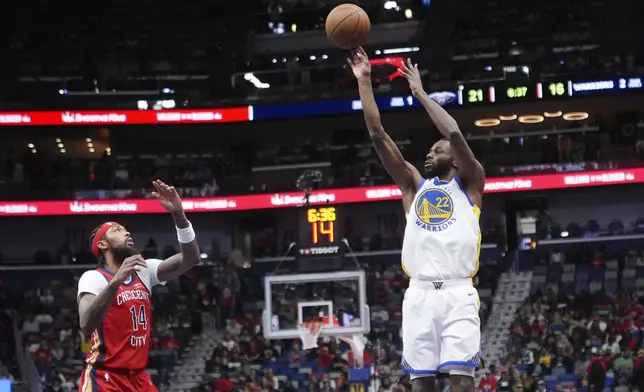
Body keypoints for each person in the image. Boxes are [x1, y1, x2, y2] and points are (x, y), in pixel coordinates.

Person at [348, 48, 485, 392]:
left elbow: (453, 132)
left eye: (437, 151)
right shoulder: (413, 186)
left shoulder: (471, 184)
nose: (429, 152)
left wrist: (420, 94)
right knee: (420, 384)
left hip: (458, 293)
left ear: (455, 160)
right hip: (420, 293)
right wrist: (364, 81)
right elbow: (378, 135)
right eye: (430, 150)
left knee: (462, 383)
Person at [76, 180, 201, 391]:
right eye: (117, 230)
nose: (127, 233)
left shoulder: (144, 270)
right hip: (105, 377)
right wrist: (116, 282)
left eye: (126, 230)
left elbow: (192, 258)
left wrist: (179, 215)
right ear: (102, 245)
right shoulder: (93, 278)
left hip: (139, 378)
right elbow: (86, 324)